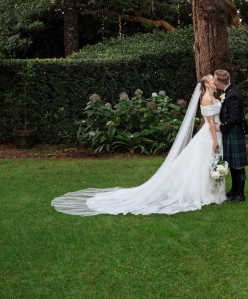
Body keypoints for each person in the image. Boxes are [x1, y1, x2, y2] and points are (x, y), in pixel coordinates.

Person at [51, 76, 226, 216]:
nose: (214, 81)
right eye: (212, 79)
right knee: (206, 160)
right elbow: (210, 122)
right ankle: (204, 192)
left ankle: (211, 189)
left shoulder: (214, 98)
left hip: (215, 132)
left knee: (207, 161)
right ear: (206, 84)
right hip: (210, 134)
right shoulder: (206, 98)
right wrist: (214, 139)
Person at [214, 69, 248, 203]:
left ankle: (240, 194)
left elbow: (234, 118)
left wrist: (221, 127)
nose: (213, 81)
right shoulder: (229, 91)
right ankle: (234, 190)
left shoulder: (232, 94)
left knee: (238, 165)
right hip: (231, 131)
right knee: (233, 163)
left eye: (215, 79)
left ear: (220, 82)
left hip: (234, 131)